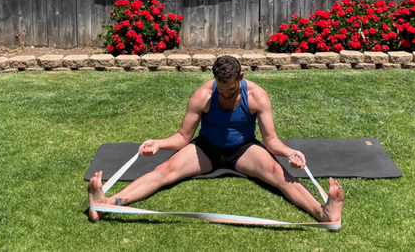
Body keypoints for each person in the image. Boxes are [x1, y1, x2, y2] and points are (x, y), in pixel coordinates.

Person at [87, 55, 343, 227]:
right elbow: (183, 137)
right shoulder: (202, 96)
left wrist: (289, 153)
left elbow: (271, 140)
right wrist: (159, 143)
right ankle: (109, 203)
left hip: (243, 150)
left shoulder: (257, 97)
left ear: (241, 78)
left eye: (230, 90)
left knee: (278, 173)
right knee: (164, 170)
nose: (225, 94)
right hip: (206, 148)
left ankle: (324, 213)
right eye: (220, 89)